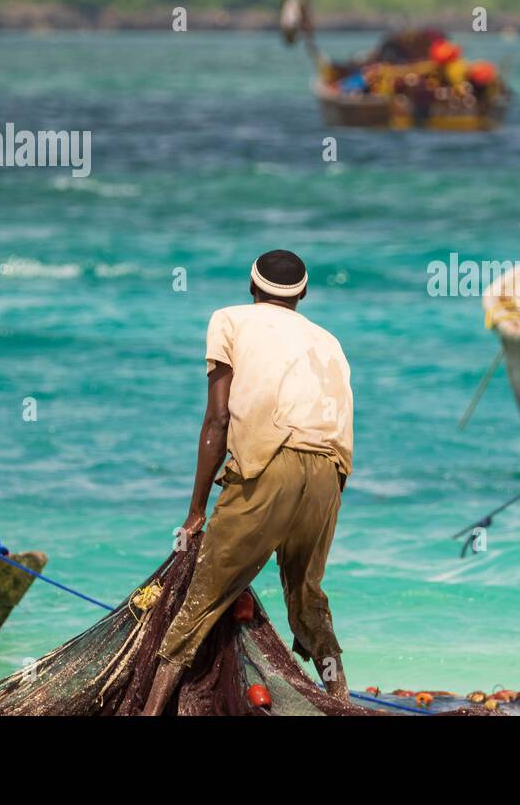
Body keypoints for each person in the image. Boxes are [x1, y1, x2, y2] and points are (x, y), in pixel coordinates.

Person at [141, 249, 354, 715]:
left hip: (268, 466)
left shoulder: (230, 320)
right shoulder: (329, 341)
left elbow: (217, 420)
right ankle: (339, 697)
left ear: (252, 288)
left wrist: (196, 511)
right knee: (306, 596)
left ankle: (149, 706)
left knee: (202, 598)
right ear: (302, 295)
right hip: (329, 476)